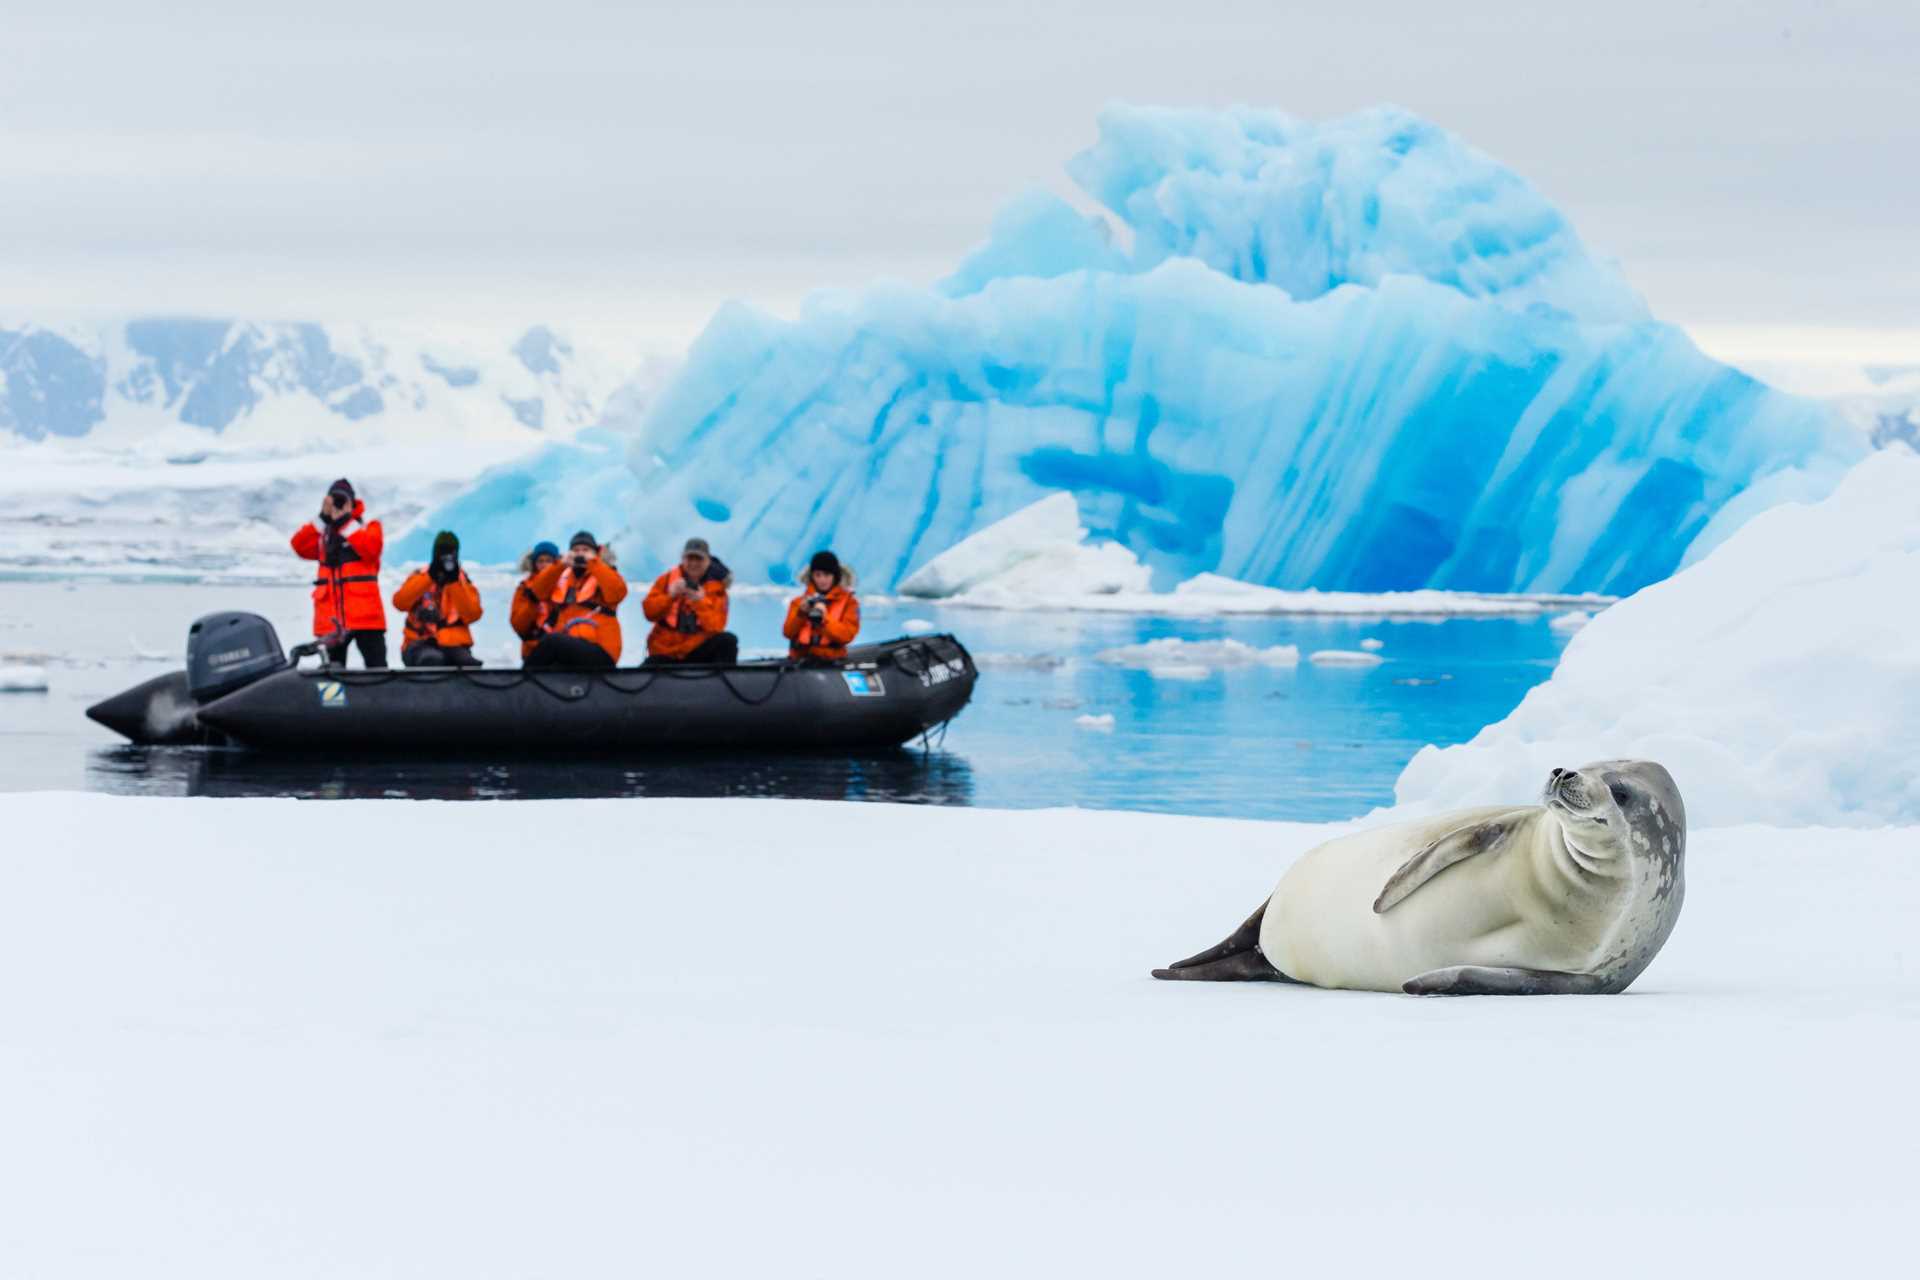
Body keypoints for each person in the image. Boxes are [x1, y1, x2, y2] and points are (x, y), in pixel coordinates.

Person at [290, 478, 387, 668]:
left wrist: (345, 523)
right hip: (331, 620)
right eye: (335, 500)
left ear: (353, 502)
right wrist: (322, 518)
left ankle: (381, 698)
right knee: (332, 675)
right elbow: (299, 546)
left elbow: (372, 549)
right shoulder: (322, 534)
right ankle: (337, 699)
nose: (339, 504)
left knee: (377, 668)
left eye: (343, 500)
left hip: (366, 618)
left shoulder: (368, 528)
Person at [524, 531, 628, 668]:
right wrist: (560, 565)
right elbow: (537, 592)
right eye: (576, 550)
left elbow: (617, 594)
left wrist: (594, 563)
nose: (581, 554)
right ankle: (524, 684)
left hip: (601, 650)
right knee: (549, 658)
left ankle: (523, 679)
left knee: (552, 641)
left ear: (596, 553)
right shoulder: (563, 576)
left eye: (586, 550)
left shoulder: (605, 574)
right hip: (570, 647)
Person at [391, 530, 484, 667]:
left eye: (450, 554)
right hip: (419, 643)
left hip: (453, 644)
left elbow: (473, 615)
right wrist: (430, 577)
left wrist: (454, 582)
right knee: (433, 660)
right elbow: (399, 603)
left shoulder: (462, 581)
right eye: (442, 554)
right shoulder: (421, 576)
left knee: (469, 665)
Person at [642, 537, 738, 665]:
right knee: (651, 664)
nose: (693, 563)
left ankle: (719, 682)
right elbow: (649, 613)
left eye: (698, 559)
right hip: (666, 651)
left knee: (728, 641)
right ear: (683, 559)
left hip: (697, 650)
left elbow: (716, 627)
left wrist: (700, 601)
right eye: (690, 558)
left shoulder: (717, 589)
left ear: (708, 561)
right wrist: (670, 596)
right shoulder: (666, 580)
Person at [783, 550, 860, 663]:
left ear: (835, 576)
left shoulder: (850, 603)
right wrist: (801, 614)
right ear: (812, 576)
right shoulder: (799, 602)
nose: (822, 580)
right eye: (818, 575)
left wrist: (824, 620)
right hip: (800, 662)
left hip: (832, 663)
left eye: (827, 575)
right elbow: (788, 632)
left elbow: (847, 636)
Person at [509, 540, 561, 661]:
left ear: (556, 563)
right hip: (533, 648)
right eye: (540, 561)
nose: (544, 565)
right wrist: (533, 601)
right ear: (534, 563)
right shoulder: (524, 588)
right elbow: (518, 625)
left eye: (549, 561)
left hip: (561, 648)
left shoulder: (566, 585)